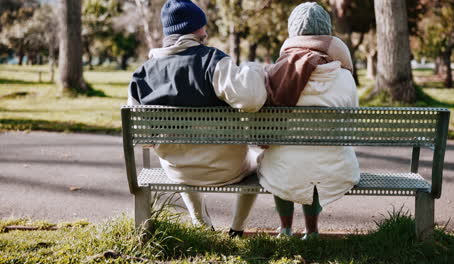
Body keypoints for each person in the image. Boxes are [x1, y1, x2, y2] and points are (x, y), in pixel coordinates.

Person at [127, 0, 267, 237]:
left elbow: (144, 141)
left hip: (179, 171)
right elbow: (252, 100)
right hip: (228, 169)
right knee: (259, 160)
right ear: (198, 30)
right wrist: (253, 71)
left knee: (181, 155)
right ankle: (237, 228)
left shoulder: (142, 75)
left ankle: (200, 222)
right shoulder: (213, 61)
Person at [258, 2, 360, 239]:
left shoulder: (275, 74)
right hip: (335, 168)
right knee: (315, 160)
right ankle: (312, 230)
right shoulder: (344, 76)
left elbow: (264, 125)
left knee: (280, 161)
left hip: (284, 168)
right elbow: (352, 121)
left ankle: (285, 229)